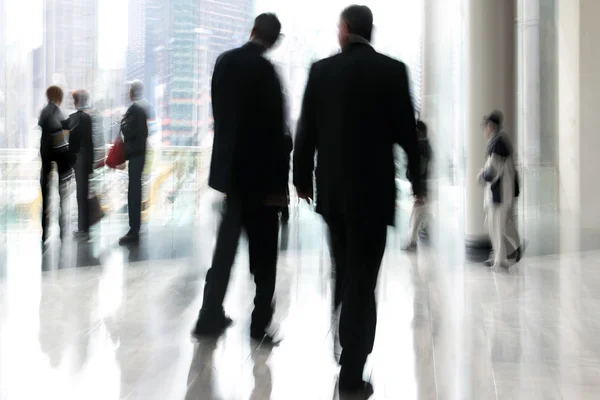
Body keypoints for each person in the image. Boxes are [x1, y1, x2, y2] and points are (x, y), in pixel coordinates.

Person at [293, 5, 424, 394]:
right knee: (363, 277)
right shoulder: (392, 70)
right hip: (374, 194)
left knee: (345, 267)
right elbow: (408, 134)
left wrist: (301, 179)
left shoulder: (321, 71)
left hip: (333, 194)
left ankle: (344, 328)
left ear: (345, 30)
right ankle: (352, 365)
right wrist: (418, 179)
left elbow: (306, 133)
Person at [192, 13, 288, 342]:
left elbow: (222, 116)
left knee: (224, 252)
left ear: (252, 31)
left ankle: (209, 315)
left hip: (230, 178)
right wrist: (280, 186)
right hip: (260, 181)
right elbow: (276, 134)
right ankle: (259, 324)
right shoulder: (266, 72)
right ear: (274, 40)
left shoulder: (224, 62)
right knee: (264, 259)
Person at [478, 110, 523, 267]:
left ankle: (501, 259)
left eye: (486, 126)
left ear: (491, 126)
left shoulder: (498, 143)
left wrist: (481, 176)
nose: (485, 129)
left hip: (500, 194)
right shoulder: (498, 142)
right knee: (495, 225)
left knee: (496, 226)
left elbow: (493, 172)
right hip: (499, 193)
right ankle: (511, 249)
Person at [119, 80, 155, 245]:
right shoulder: (144, 108)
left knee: (133, 193)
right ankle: (135, 229)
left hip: (135, 155)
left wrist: (123, 123)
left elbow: (129, 131)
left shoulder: (135, 110)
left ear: (132, 92)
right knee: (136, 191)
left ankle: (133, 231)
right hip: (140, 154)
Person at [39, 85, 73, 243]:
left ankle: (44, 232)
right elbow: (64, 137)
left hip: (46, 157)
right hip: (60, 156)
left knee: (46, 195)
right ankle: (62, 229)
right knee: (62, 194)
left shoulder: (44, 112)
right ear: (59, 96)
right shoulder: (61, 113)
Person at [61, 90, 94, 241]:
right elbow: (90, 142)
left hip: (79, 160)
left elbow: (68, 134)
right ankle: (84, 229)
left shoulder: (77, 118)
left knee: (81, 196)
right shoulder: (86, 117)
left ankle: (83, 230)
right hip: (85, 160)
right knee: (83, 195)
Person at [403, 120, 433, 251]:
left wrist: (417, 186)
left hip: (421, 187)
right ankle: (412, 242)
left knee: (417, 215)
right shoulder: (425, 146)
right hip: (422, 186)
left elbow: (419, 169)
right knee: (419, 213)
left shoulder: (421, 147)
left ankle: (412, 242)